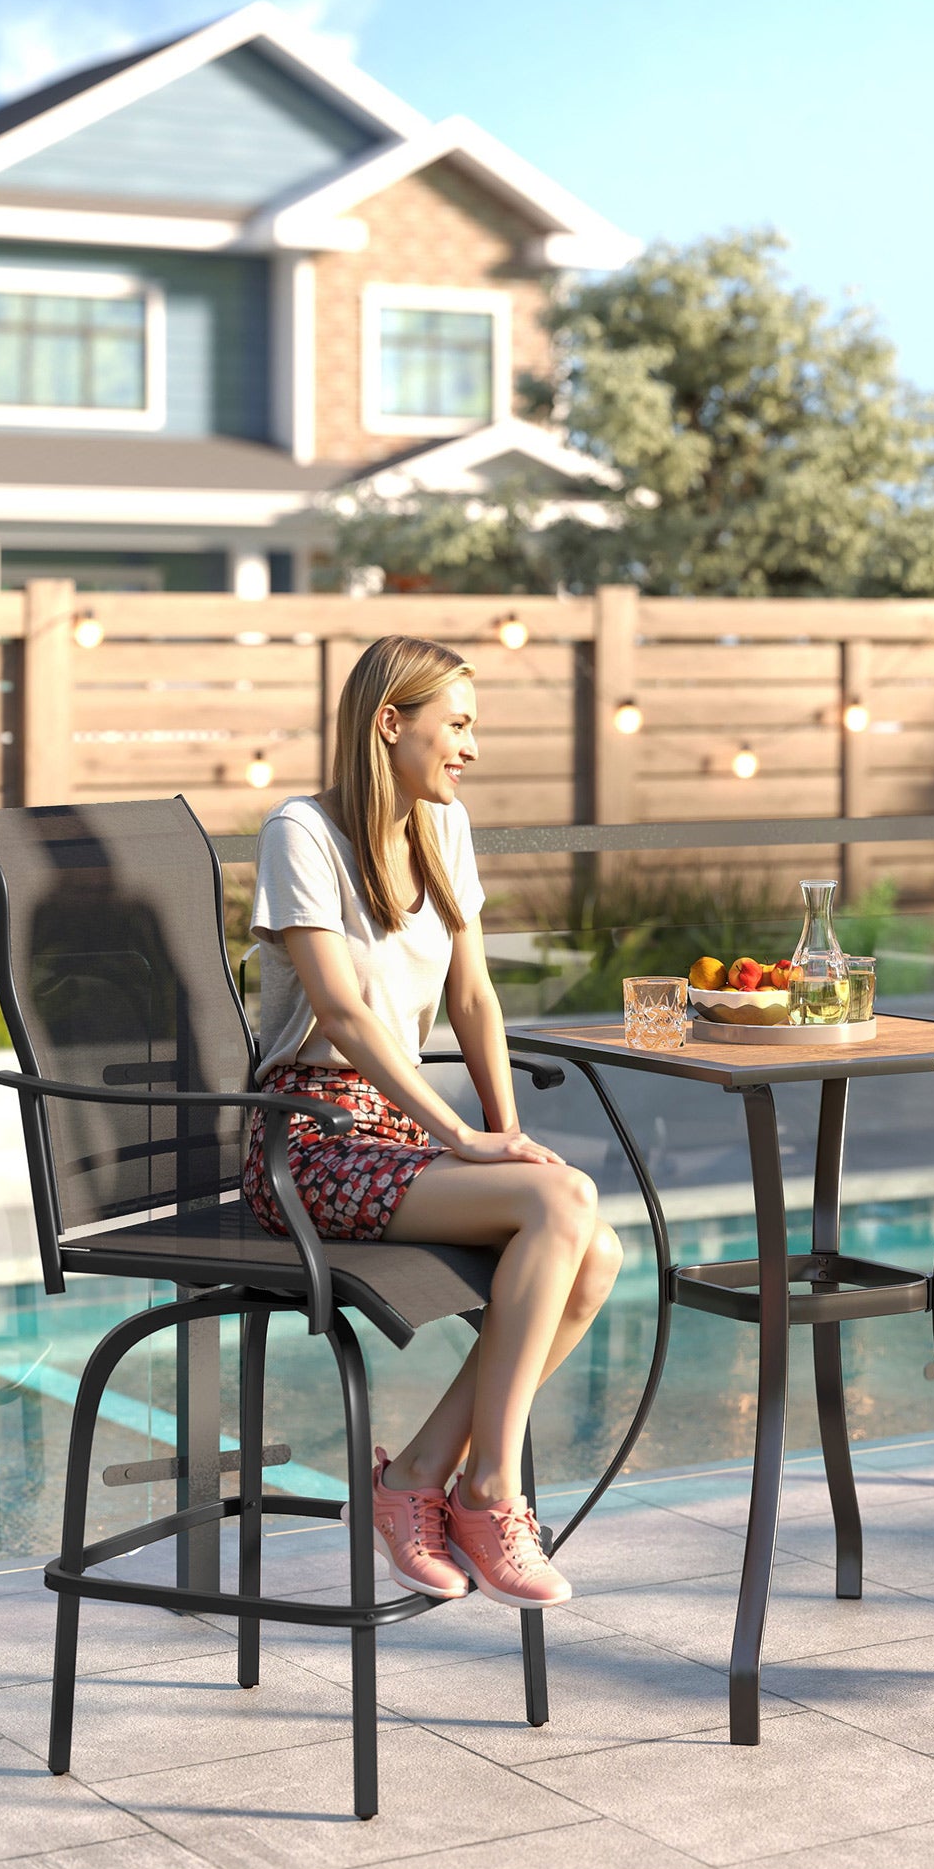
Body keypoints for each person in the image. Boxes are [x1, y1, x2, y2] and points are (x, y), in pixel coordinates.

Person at [243, 634, 620, 1609]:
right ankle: (489, 1489)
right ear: (389, 722)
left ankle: (415, 1473)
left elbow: (476, 999)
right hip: (309, 1137)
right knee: (564, 1207)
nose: (470, 748)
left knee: (593, 1246)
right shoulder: (301, 834)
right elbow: (340, 1013)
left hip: (397, 1135)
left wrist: (507, 1132)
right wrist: (460, 1135)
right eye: (456, 723)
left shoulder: (444, 828)